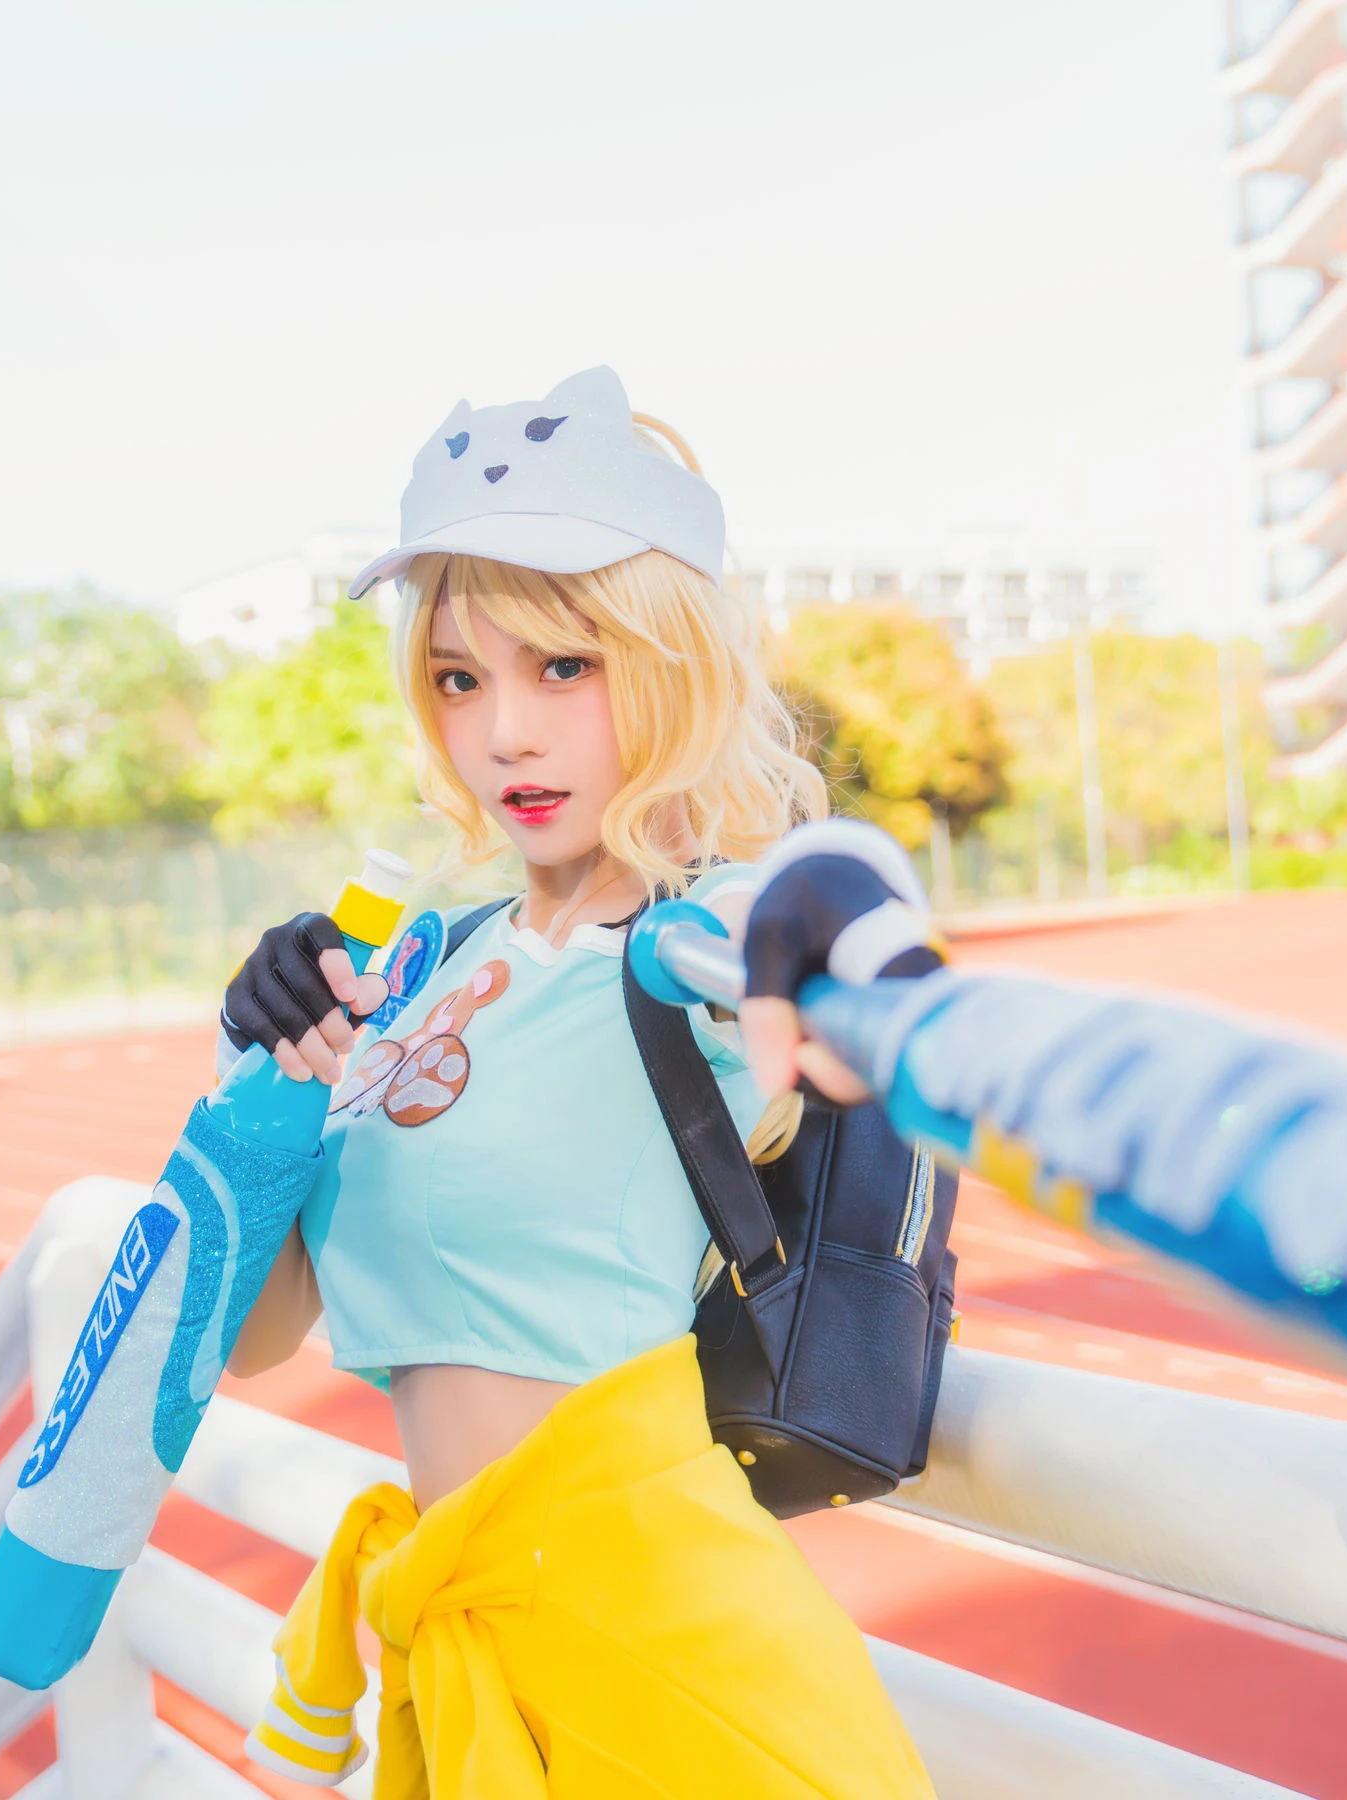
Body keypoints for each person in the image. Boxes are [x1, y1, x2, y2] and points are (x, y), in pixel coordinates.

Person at [215, 366, 943, 1797]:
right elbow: (253, 1336)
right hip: (472, 1644)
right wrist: (263, 1075)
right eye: (459, 677)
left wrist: (851, 917)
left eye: (565, 666)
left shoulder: (700, 935)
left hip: (656, 1646)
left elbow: (826, 929)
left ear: (672, 666)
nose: (505, 732)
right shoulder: (426, 971)